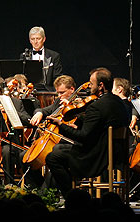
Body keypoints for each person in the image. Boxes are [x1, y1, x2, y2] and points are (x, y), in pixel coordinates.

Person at [44, 67, 130, 196]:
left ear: (100, 85)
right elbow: (100, 126)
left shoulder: (96, 106)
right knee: (61, 150)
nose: (89, 87)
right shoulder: (120, 102)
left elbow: (83, 137)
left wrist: (61, 125)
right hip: (118, 153)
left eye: (91, 83)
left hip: (97, 156)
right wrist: (80, 122)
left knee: (53, 157)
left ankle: (73, 196)